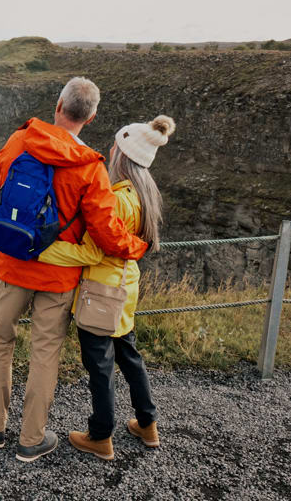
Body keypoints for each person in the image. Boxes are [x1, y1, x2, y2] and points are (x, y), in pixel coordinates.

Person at [0, 76, 149, 463]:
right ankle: (31, 439)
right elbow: (107, 233)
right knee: (45, 351)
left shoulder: (17, 142)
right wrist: (138, 247)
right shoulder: (91, 168)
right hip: (57, 278)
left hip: (12, 264)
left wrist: (9, 243)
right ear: (90, 119)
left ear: (58, 105)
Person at [38, 114, 176, 460]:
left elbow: (93, 250)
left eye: (115, 146)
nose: (110, 150)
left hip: (101, 293)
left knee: (100, 366)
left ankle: (101, 436)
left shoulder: (116, 199)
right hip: (126, 290)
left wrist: (45, 249)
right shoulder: (146, 194)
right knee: (129, 356)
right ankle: (148, 424)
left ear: (122, 155)